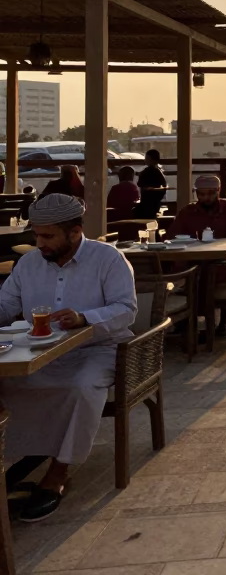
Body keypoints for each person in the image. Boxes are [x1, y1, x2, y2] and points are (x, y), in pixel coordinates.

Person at [0, 194, 136, 522]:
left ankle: (59, 471)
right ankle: (21, 457)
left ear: (74, 232)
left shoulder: (108, 259)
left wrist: (85, 317)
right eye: (37, 235)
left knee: (81, 387)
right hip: (40, 351)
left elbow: (126, 310)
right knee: (7, 385)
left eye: (48, 236)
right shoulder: (29, 263)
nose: (39, 243)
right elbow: (5, 305)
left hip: (97, 349)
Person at [170, 175, 226, 241]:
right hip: (192, 256)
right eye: (202, 194)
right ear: (197, 194)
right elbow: (172, 236)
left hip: (223, 256)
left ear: (218, 191)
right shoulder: (187, 211)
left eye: (210, 194)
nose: (206, 197)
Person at [135, 149, 167, 218]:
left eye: (147, 158)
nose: (145, 160)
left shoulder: (146, 172)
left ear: (151, 160)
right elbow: (164, 187)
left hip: (145, 203)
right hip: (156, 203)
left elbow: (140, 184)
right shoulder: (159, 172)